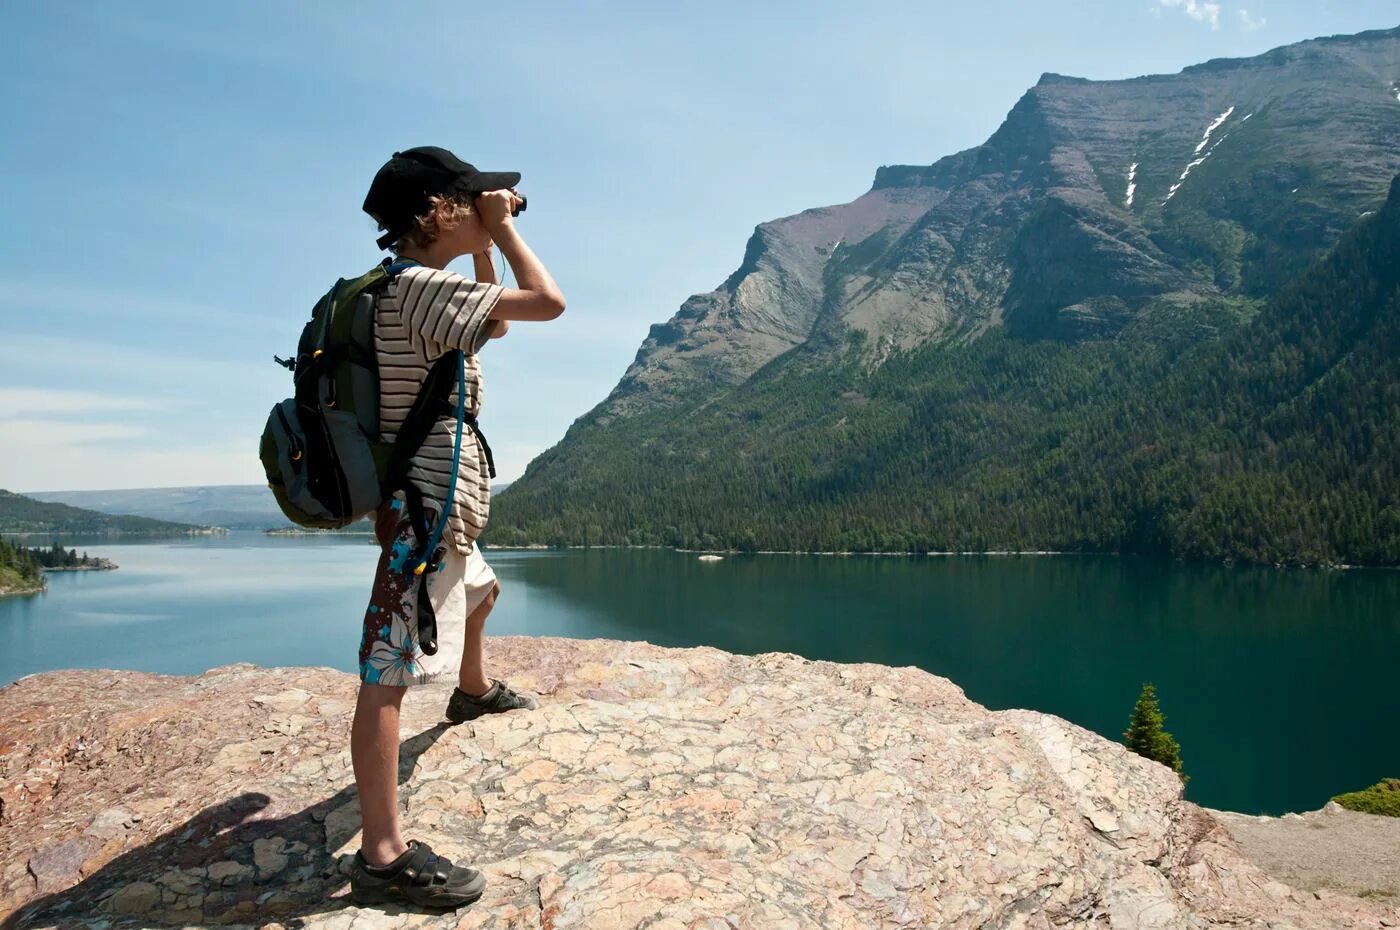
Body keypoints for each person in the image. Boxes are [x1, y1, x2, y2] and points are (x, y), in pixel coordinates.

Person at [347, 146, 565, 909]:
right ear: (439, 211)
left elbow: (492, 329)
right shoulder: (417, 291)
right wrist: (502, 234)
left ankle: (470, 689)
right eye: (471, 199)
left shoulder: (412, 290)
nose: (488, 205)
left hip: (442, 509)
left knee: (483, 589)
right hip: (423, 513)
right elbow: (546, 302)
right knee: (386, 676)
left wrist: (482, 243)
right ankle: (381, 855)